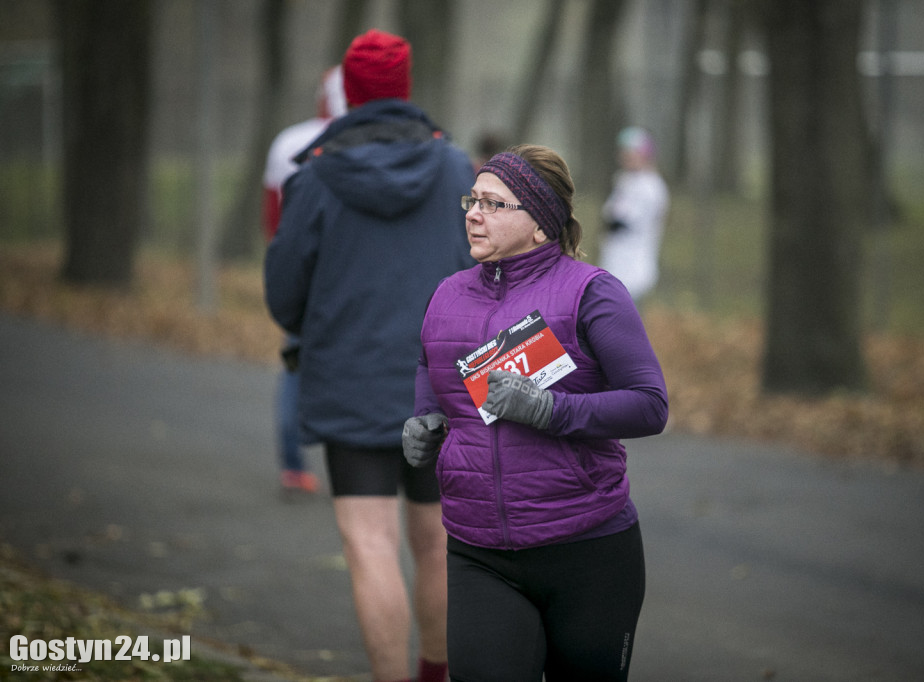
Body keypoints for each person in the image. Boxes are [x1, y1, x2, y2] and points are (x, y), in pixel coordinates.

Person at [403, 144, 669, 681]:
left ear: (541, 225)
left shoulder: (592, 294)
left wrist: (550, 409)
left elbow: (649, 405)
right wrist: (423, 425)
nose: (474, 213)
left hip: (587, 550)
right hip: (479, 552)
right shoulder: (447, 296)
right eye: (472, 200)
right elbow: (432, 383)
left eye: (494, 204)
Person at [264, 29, 476, 682]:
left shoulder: (316, 175)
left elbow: (284, 293)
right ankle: (435, 674)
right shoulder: (457, 169)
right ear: (405, 87)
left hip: (350, 381)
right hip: (441, 384)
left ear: (350, 91)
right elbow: (485, 270)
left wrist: (320, 331)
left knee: (369, 545)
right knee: (438, 545)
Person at [262, 65, 347, 495]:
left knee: (296, 363)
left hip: (304, 273)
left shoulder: (289, 142)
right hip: (351, 276)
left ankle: (293, 463)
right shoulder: (367, 144)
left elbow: (273, 222)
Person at [598, 126, 670, 304]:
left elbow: (621, 220)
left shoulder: (650, 186)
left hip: (633, 265)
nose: (626, 157)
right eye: (624, 153)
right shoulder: (626, 180)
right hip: (616, 262)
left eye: (631, 153)